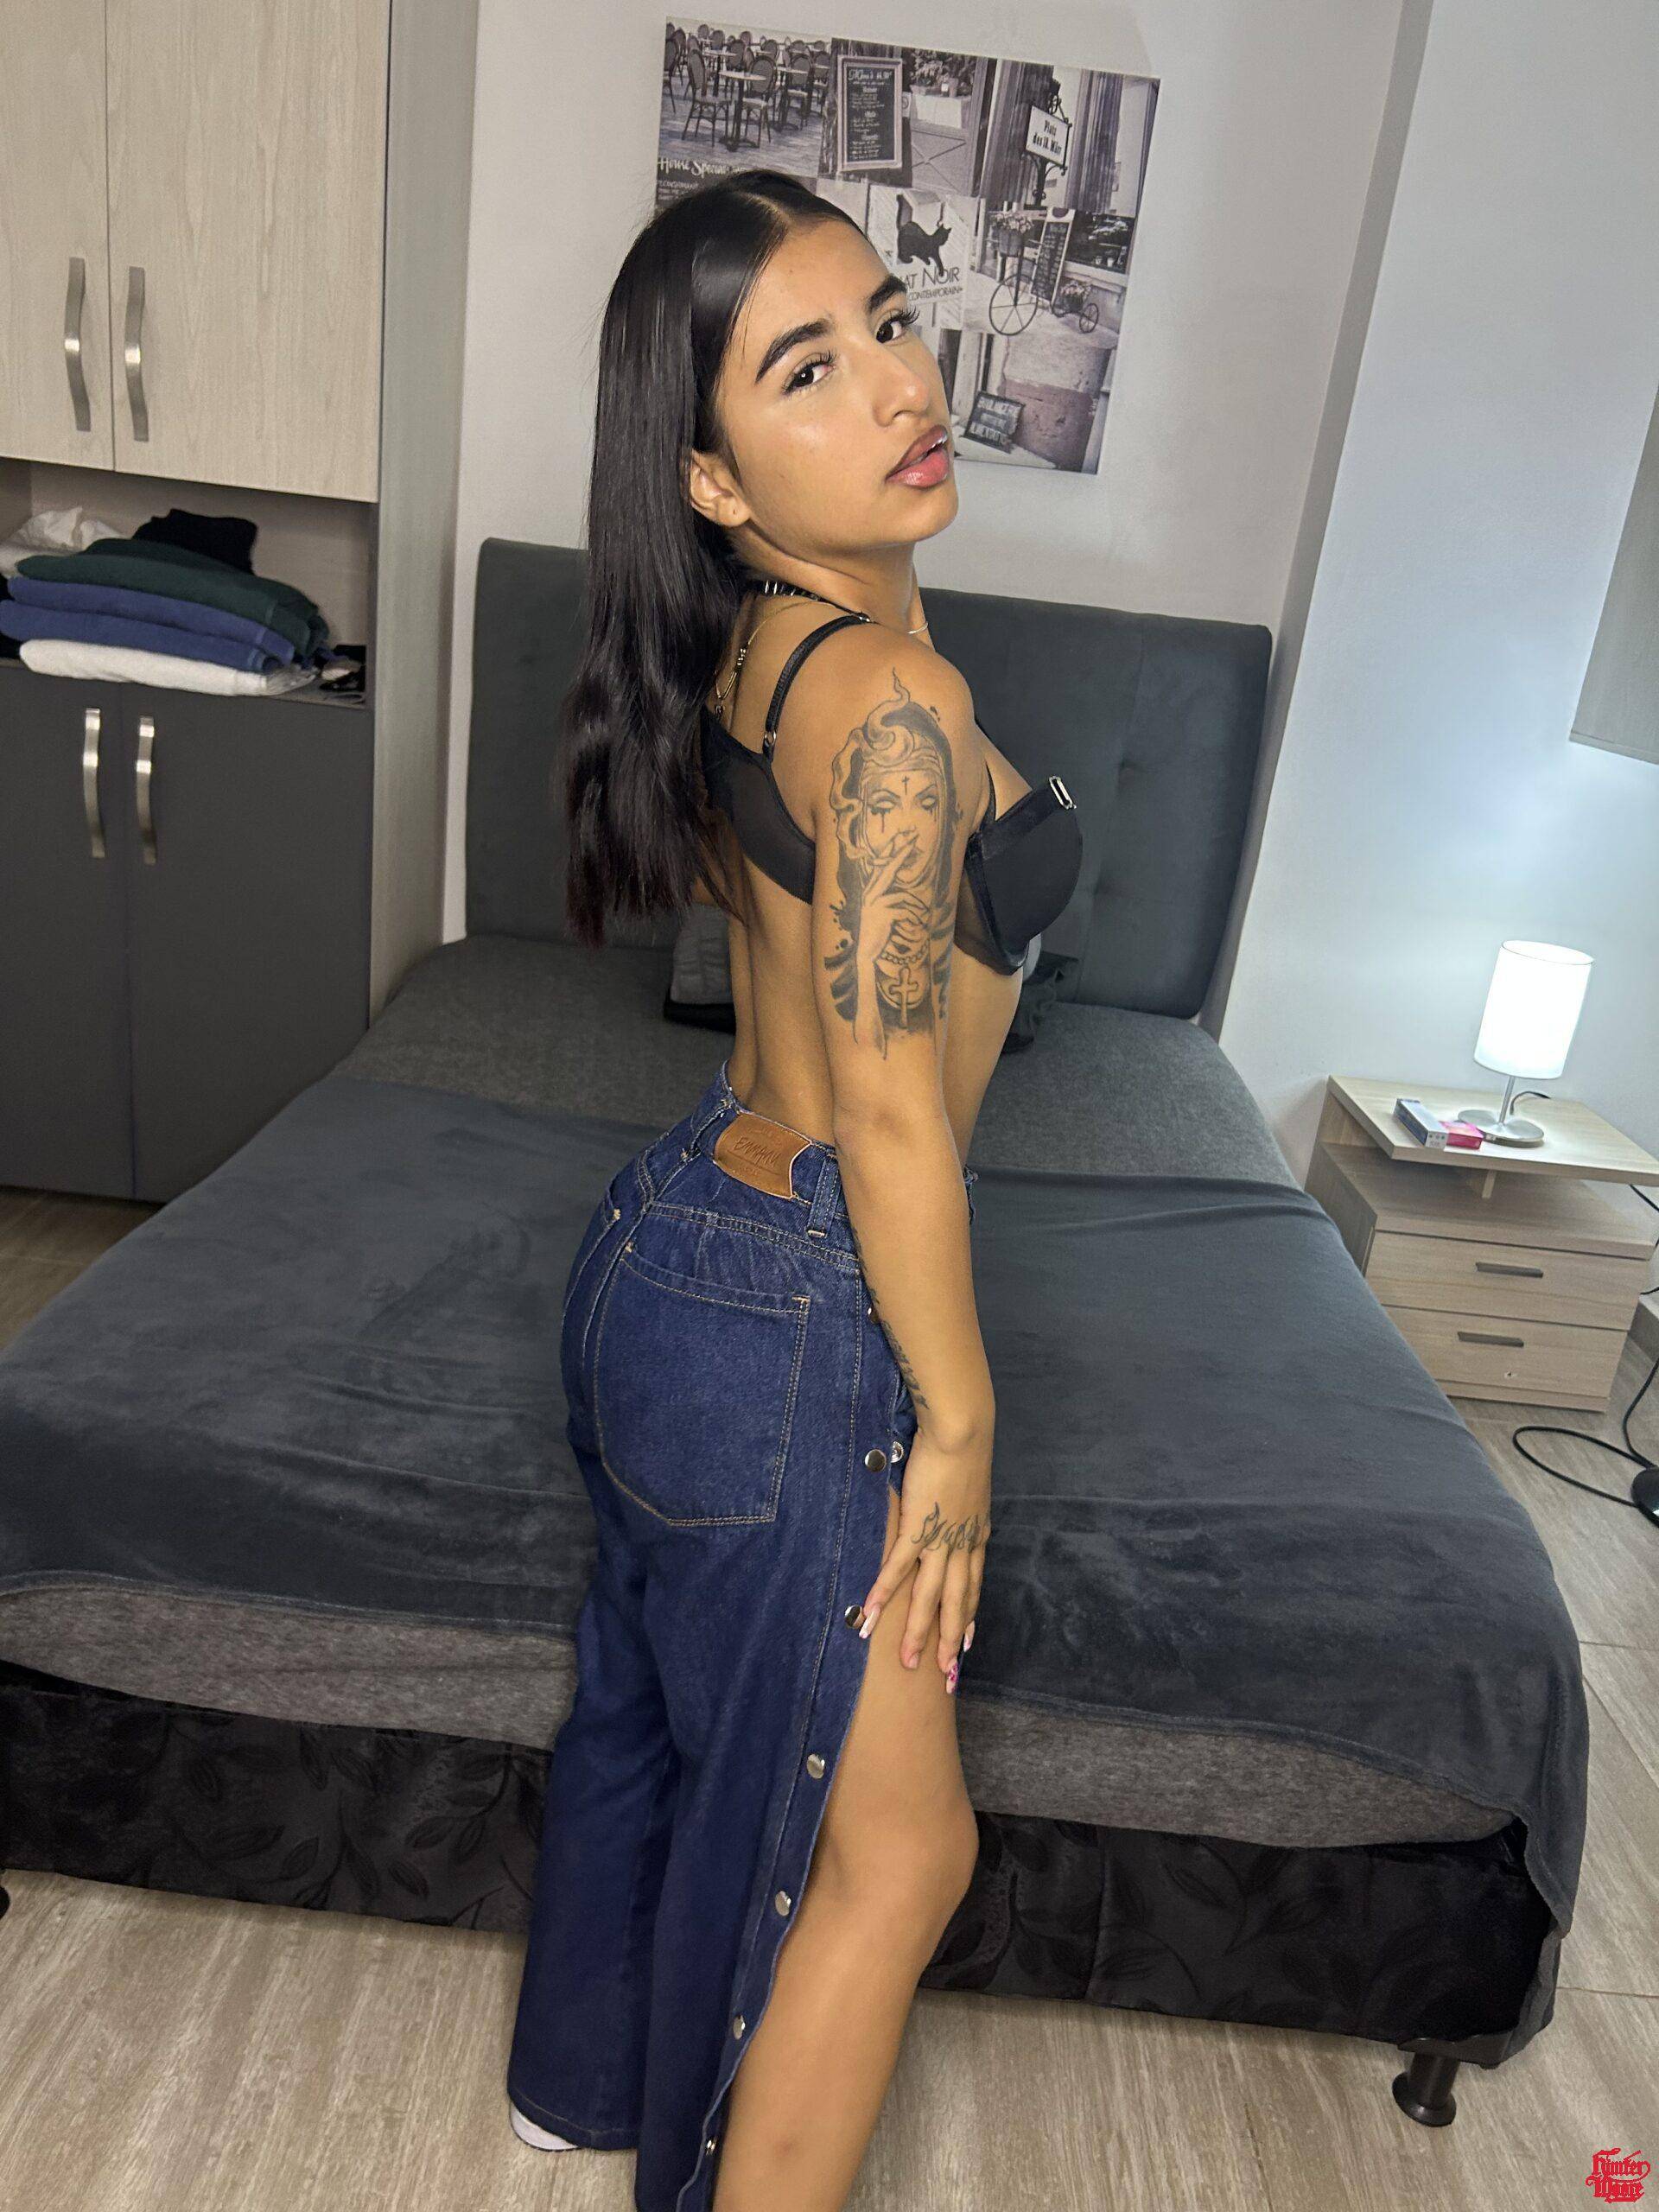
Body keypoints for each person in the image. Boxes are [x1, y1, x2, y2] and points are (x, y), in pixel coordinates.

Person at [505, 166, 1082, 2212]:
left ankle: (575, 2087)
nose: (902, 387)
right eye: (809, 371)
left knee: (645, 1703)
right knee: (904, 1848)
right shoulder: (897, 703)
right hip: (789, 1297)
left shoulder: (771, 640)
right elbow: (897, 1115)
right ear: (714, 477)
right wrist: (965, 1424)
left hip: (666, 1246)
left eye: (892, 324)